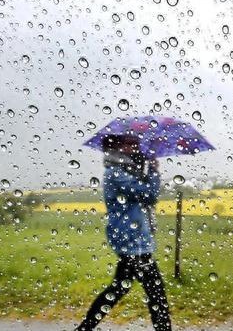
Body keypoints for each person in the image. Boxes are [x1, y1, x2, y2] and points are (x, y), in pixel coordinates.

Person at [76, 134, 171, 331]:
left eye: (137, 143)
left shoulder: (126, 172)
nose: (136, 148)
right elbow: (149, 195)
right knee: (156, 292)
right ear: (117, 148)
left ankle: (85, 328)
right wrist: (153, 171)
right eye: (130, 144)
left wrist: (145, 171)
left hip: (133, 238)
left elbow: (142, 197)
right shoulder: (116, 173)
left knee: (120, 288)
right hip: (131, 240)